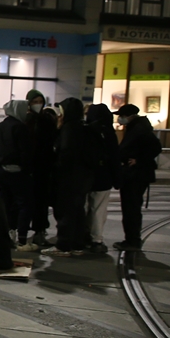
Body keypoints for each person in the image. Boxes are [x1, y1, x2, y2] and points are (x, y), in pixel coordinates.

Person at [43, 98, 93, 256]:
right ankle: (77, 244)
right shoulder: (82, 127)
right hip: (80, 179)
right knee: (77, 212)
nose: (60, 114)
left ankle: (64, 245)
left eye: (62, 111)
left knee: (65, 211)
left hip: (68, 179)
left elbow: (65, 154)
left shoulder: (69, 129)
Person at [114, 103, 162, 251]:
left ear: (129, 116)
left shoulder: (139, 129)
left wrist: (139, 160)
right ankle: (131, 239)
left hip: (136, 175)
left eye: (121, 116)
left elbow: (155, 147)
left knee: (131, 208)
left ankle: (132, 241)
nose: (120, 119)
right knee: (131, 208)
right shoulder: (136, 127)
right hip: (135, 174)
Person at [0, 100, 33, 246]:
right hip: (17, 171)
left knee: (5, 203)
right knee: (23, 203)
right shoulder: (20, 128)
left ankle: (7, 232)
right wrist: (27, 169)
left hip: (1, 170)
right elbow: (26, 151)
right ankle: (22, 237)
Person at [84, 103, 119, 253]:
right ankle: (96, 239)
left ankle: (82, 235)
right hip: (104, 178)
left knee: (84, 208)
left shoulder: (86, 131)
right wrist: (117, 179)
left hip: (86, 177)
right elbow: (115, 157)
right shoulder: (109, 133)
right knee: (99, 209)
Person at [25, 89, 56, 247]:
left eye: (40, 101)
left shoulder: (47, 119)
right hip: (29, 167)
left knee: (41, 201)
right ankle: (21, 231)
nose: (38, 105)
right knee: (26, 201)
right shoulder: (26, 120)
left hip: (43, 167)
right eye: (34, 102)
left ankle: (39, 230)